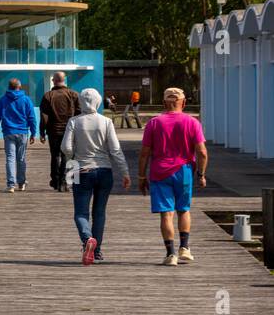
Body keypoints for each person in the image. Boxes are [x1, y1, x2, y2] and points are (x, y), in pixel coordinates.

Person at [60, 89, 131, 264]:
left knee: (81, 213)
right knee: (99, 213)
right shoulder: (106, 122)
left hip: (81, 171)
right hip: (105, 171)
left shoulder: (74, 121)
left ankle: (87, 240)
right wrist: (125, 172)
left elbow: (66, 148)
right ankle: (97, 252)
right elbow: (115, 150)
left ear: (81, 103)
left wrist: (71, 171)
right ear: (98, 102)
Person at [138, 87, 207, 266]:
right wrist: (201, 174)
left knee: (166, 214)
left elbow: (144, 153)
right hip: (184, 171)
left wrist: (141, 177)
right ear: (183, 103)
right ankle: (185, 248)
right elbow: (202, 152)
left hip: (160, 172)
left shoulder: (154, 123)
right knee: (183, 209)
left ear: (163, 103)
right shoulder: (192, 123)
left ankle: (171, 255)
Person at [0, 77, 37, 193]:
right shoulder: (26, 100)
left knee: (10, 159)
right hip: (22, 132)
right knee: (21, 158)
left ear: (9, 87)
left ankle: (11, 185)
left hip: (8, 132)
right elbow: (31, 117)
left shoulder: (3, 100)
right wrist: (33, 133)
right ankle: (21, 183)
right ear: (19, 86)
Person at [39, 72, 80, 191]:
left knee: (55, 155)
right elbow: (79, 113)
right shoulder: (73, 94)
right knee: (68, 155)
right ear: (64, 80)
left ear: (53, 81)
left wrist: (42, 132)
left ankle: (56, 181)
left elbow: (44, 116)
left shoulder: (48, 96)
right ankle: (65, 181)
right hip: (70, 131)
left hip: (53, 131)